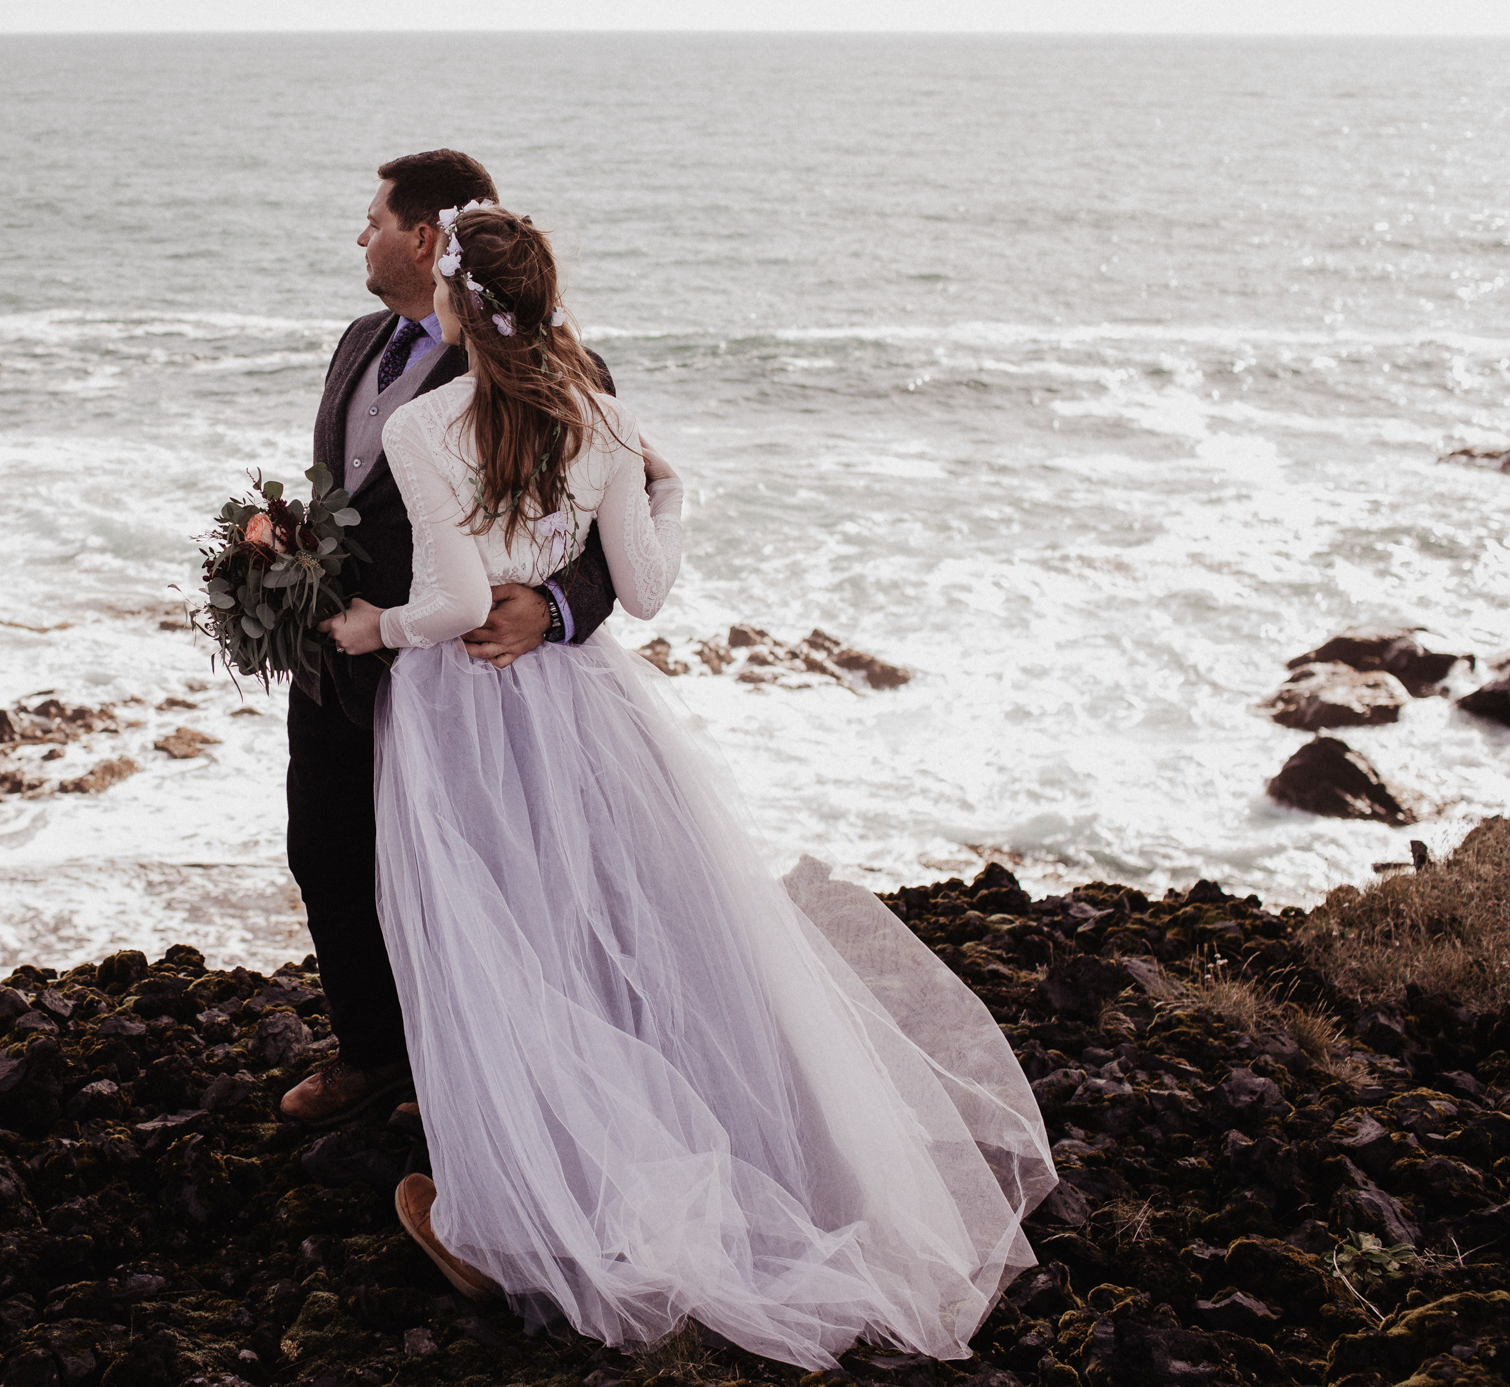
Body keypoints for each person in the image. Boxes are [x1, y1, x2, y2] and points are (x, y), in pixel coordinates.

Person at [315, 205, 1056, 1365]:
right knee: (583, 934)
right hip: (579, 704)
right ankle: (601, 1172)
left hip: (461, 711)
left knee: (490, 942)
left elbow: (453, 605)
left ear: (455, 294)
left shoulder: (424, 424)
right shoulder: (601, 414)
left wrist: (373, 627)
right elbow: (647, 589)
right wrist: (670, 492)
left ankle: (509, 1211)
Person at [280, 150, 623, 1127]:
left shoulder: (547, 364)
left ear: (425, 238)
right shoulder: (358, 340)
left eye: (376, 219)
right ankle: (374, 1053)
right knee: (327, 857)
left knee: (473, 889)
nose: (361, 235)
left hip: (463, 684)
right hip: (339, 672)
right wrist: (283, 561)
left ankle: (472, 1099)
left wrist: (552, 608)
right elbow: (346, 493)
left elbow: (607, 535)